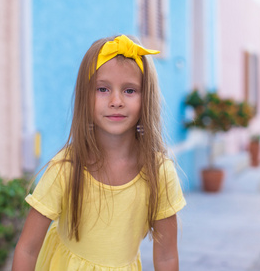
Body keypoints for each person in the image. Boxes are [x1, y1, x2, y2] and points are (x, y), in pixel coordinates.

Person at [12, 35, 186, 271]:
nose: (116, 101)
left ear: (147, 98)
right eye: (102, 89)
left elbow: (166, 257)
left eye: (130, 90)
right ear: (86, 96)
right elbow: (27, 249)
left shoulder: (160, 173)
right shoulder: (66, 167)